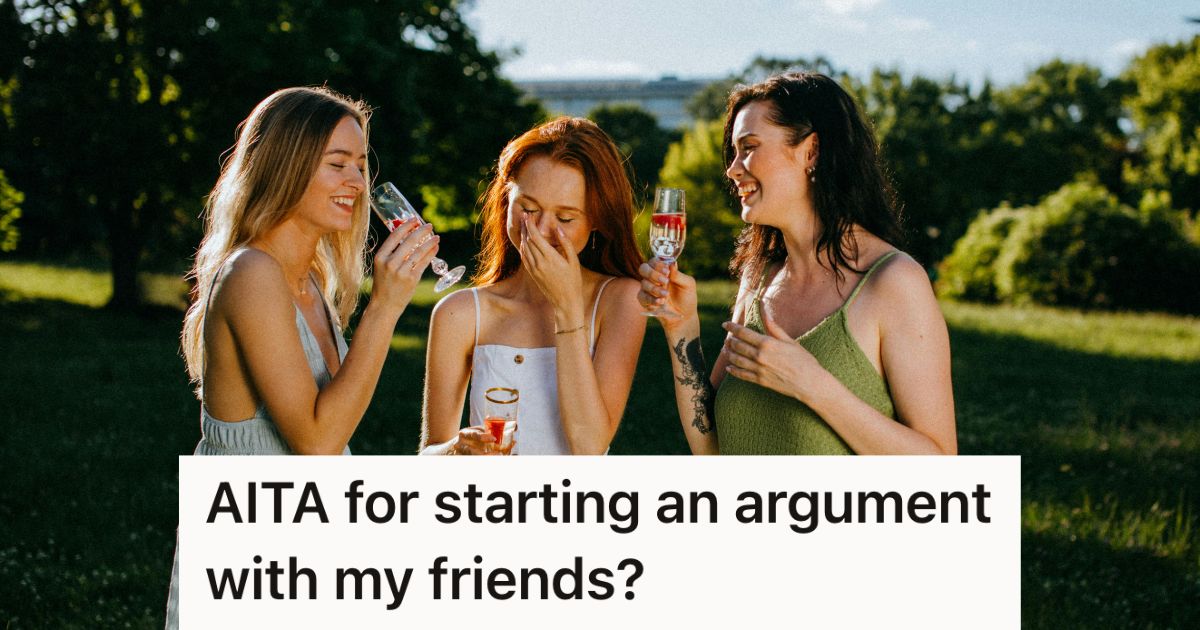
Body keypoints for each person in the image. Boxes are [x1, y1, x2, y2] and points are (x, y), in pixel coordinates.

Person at [166, 86, 437, 627]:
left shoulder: (310, 281)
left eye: (361, 165)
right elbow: (315, 443)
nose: (358, 183)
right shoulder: (251, 275)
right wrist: (385, 307)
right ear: (286, 166)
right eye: (338, 164)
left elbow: (335, 438)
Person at [638, 72, 957, 455]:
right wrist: (681, 329)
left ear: (811, 151)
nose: (733, 168)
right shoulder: (758, 279)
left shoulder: (893, 281)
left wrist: (812, 385)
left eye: (749, 147)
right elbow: (713, 450)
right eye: (734, 152)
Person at [421, 117, 646, 455]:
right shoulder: (460, 313)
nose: (541, 230)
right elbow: (428, 457)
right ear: (506, 201)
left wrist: (567, 306)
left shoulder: (621, 299)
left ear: (597, 219)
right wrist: (456, 450)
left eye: (566, 218)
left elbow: (589, 447)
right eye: (528, 208)